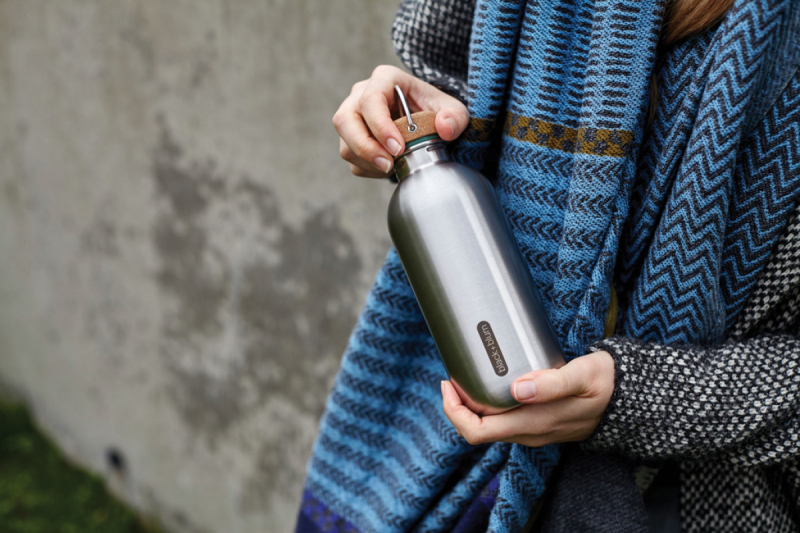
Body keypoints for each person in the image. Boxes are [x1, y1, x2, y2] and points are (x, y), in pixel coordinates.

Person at [297, 0, 800, 531]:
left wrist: (644, 396)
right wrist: (400, 121)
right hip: (445, 408)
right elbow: (448, 63)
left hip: (699, 491)